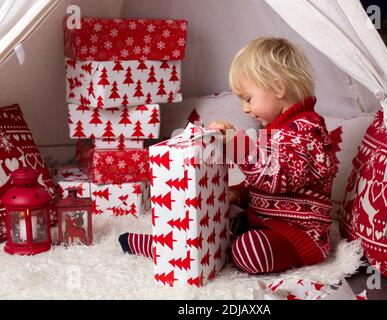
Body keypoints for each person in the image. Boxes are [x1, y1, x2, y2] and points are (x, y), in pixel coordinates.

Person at [118, 37, 339, 275]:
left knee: (248, 250)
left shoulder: (307, 130)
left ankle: (198, 250)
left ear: (278, 88)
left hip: (297, 235)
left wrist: (239, 144)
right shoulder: (277, 130)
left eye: (248, 98)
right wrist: (239, 193)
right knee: (213, 223)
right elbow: (260, 185)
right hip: (263, 222)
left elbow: (277, 177)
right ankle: (175, 246)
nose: (245, 108)